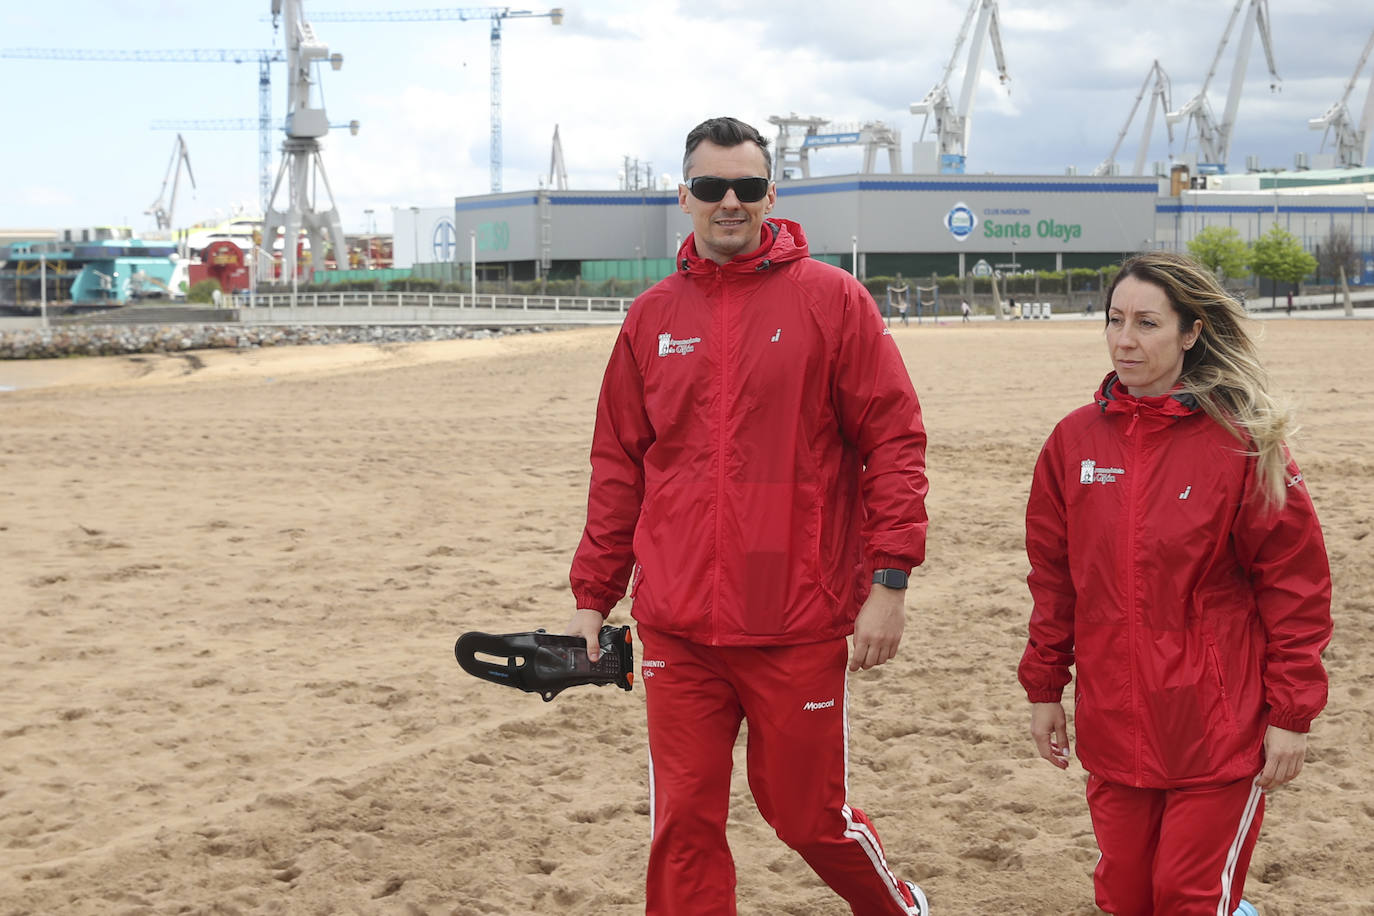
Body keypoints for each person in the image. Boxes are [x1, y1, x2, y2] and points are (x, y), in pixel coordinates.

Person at [565, 116, 931, 915]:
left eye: (746, 186)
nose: (729, 202)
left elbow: (894, 441)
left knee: (806, 817)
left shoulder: (833, 300)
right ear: (685, 197)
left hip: (795, 616)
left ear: (772, 192)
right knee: (683, 825)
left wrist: (891, 580)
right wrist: (594, 594)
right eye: (710, 187)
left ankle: (898, 908)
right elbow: (619, 465)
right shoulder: (651, 317)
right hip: (677, 624)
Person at [1018, 250, 1332, 916]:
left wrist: (1291, 715)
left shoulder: (1241, 443)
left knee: (1189, 901)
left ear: (1191, 332)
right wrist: (1046, 687)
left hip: (1216, 728)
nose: (1124, 340)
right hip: (1114, 725)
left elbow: (1295, 585)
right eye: (1114, 320)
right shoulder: (1073, 443)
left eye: (1148, 324)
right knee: (1127, 898)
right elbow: (1053, 581)